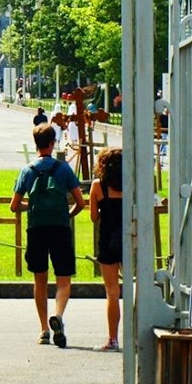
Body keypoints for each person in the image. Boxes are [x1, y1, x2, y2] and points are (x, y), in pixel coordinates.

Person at [11, 123, 84, 348]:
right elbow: (80, 202)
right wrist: (66, 214)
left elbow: (14, 206)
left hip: (36, 229)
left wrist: (31, 205)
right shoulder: (63, 170)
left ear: (36, 144)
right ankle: (59, 316)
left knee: (39, 280)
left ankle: (43, 329)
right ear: (53, 143)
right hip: (60, 228)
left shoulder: (27, 171)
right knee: (63, 280)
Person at [90, 146, 124, 352]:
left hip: (108, 240)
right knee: (135, 289)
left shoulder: (98, 186)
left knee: (112, 292)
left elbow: (94, 217)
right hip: (129, 238)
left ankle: (113, 339)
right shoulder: (132, 184)